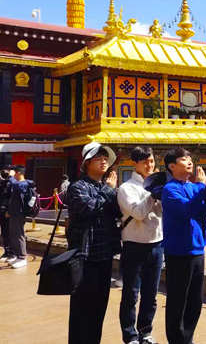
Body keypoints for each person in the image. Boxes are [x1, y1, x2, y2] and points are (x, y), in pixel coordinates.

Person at [67, 142, 121, 344]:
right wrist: (108, 190)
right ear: (87, 163)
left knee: (99, 306)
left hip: (104, 253)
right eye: (99, 157)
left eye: (105, 157)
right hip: (84, 255)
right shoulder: (77, 187)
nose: (104, 160)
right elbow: (89, 207)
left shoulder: (105, 187)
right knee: (82, 307)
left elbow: (117, 213)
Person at [161, 147, 206, 344]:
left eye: (190, 158)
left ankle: (187, 338)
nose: (189, 161)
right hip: (179, 252)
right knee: (177, 301)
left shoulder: (192, 186)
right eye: (184, 159)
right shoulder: (170, 189)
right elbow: (187, 210)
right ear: (172, 166)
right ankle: (176, 340)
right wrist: (202, 187)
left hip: (198, 250)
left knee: (195, 301)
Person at [118, 147, 163, 344]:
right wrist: (152, 192)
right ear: (134, 164)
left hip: (157, 245)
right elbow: (138, 213)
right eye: (144, 162)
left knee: (151, 294)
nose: (149, 165)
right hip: (134, 246)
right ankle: (130, 335)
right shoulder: (126, 188)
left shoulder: (160, 187)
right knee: (130, 294)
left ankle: (145, 332)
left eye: (151, 161)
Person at [5, 165, 36, 269]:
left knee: (19, 235)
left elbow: (16, 186)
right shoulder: (18, 183)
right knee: (13, 234)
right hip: (14, 212)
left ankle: (22, 258)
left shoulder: (24, 184)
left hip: (20, 213)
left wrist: (11, 177)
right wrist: (9, 211)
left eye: (14, 173)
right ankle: (18, 256)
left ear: (18, 173)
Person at [0, 166, 15, 262]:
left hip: (8, 212)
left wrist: (9, 210)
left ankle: (13, 253)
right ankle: (7, 251)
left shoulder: (12, 183)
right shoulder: (2, 183)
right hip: (1, 210)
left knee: (9, 233)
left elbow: (12, 198)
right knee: (4, 232)